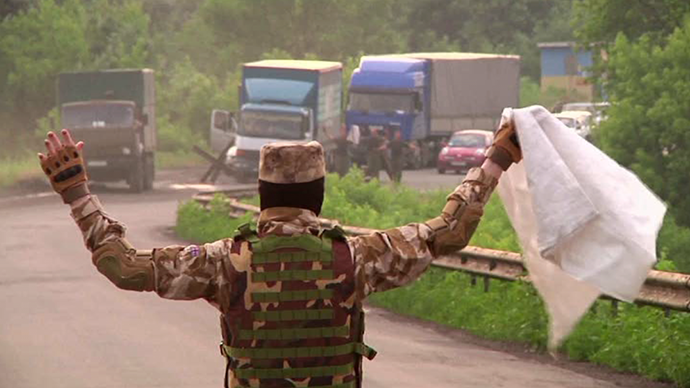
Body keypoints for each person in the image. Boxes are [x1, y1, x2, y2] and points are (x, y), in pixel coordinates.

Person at [37, 121, 521, 388]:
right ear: (321, 192)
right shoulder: (359, 256)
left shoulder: (223, 261)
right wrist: (497, 155)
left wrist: (78, 193)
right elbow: (451, 230)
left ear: (263, 191)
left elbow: (123, 266)